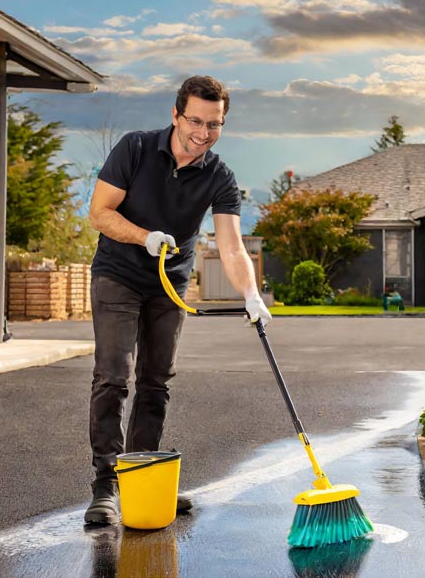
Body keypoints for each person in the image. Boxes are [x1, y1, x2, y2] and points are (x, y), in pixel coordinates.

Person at [84, 75, 272, 524]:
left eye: (215, 124)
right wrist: (145, 237)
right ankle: (105, 486)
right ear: (175, 114)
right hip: (119, 275)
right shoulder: (135, 148)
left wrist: (251, 293)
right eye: (195, 121)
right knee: (113, 376)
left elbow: (230, 246)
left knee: (156, 381)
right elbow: (99, 213)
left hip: (169, 284)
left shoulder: (220, 176)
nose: (203, 133)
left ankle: (142, 479)